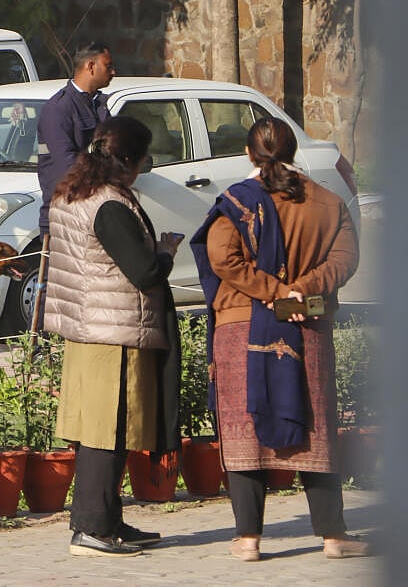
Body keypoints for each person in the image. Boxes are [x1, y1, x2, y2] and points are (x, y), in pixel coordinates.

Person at [190, 116, 366, 562]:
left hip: (242, 321)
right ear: (292, 150)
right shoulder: (327, 202)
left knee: (245, 427)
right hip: (306, 318)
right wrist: (298, 292)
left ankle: (248, 539)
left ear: (250, 154)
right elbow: (346, 260)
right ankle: (332, 536)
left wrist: (271, 292)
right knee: (314, 425)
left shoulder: (235, 203)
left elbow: (221, 257)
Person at [45, 115, 182, 557]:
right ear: (127, 160)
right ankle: (90, 528)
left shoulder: (72, 193)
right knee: (107, 431)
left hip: (91, 326)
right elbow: (141, 271)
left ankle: (107, 520)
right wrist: (164, 254)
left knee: (107, 430)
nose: (144, 167)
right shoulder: (108, 204)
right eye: (143, 159)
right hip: (113, 330)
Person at [37, 42, 115, 235]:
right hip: (66, 217)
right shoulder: (58, 108)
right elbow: (68, 165)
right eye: (108, 66)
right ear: (90, 66)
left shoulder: (99, 105)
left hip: (94, 213)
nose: (113, 72)